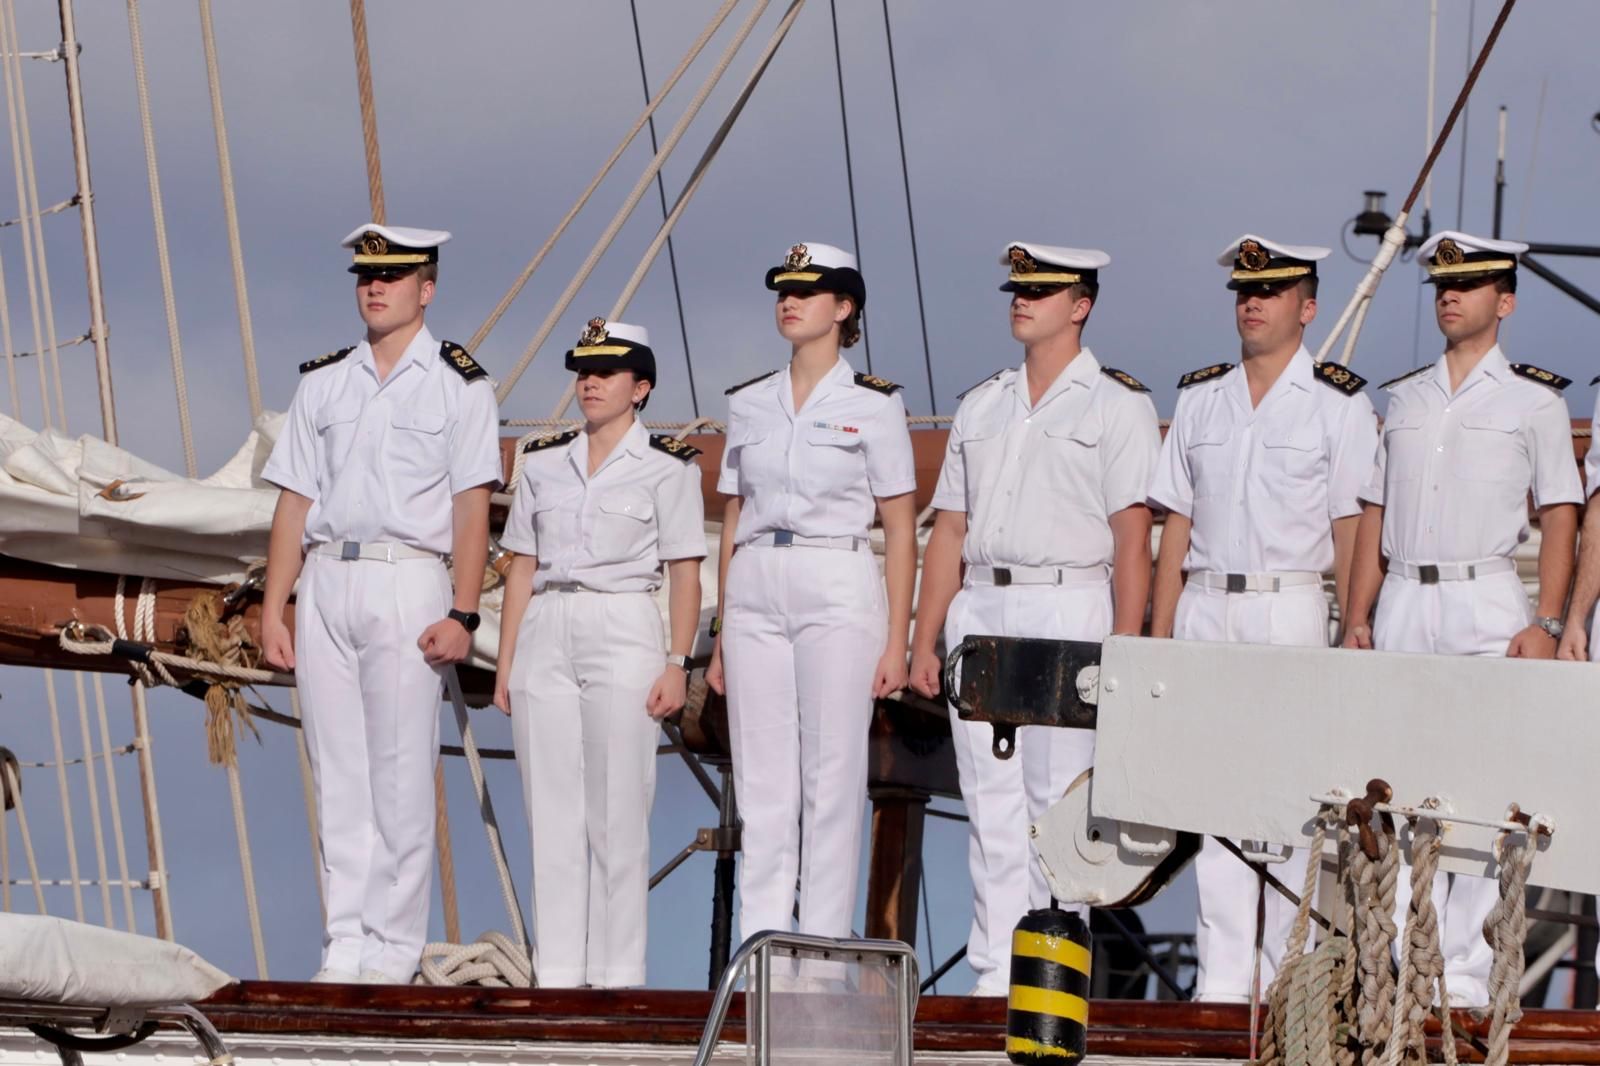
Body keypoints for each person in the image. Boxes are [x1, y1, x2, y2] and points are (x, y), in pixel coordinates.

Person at [908, 241, 1159, 995]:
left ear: (1080, 306)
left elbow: (1131, 535)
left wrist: (1125, 647)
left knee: (1057, 807)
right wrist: (925, 636)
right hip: (983, 604)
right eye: (1017, 288)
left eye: (1041, 291)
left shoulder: (1118, 404)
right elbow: (948, 528)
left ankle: (1051, 978)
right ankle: (993, 972)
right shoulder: (983, 402)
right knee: (989, 801)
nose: (1021, 299)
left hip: (1068, 600)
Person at [1342, 229, 1580, 1006]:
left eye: (1469, 283)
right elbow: (1375, 513)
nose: (1450, 292)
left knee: (1479, 792)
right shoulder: (1403, 397)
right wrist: (1357, 614)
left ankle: (1466, 976)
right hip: (1406, 596)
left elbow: (1561, 513)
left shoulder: (1535, 402)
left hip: (1485, 598)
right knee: (1403, 784)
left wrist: (1546, 622)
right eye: (1443, 281)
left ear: (1503, 301)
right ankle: (1412, 961)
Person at [260, 223, 502, 983]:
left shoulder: (460, 384)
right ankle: (346, 944)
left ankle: (393, 951)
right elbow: (294, 502)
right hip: (328, 577)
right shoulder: (323, 383)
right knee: (338, 772)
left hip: (409, 577)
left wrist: (462, 614)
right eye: (366, 273)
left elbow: (472, 505)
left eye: (393, 275)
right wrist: (275, 606)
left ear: (425, 289)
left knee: (399, 772)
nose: (375, 285)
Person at [1148, 235, 1378, 1002]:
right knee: (1211, 804)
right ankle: (1219, 988)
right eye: (1245, 291)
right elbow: (1174, 525)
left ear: (1307, 308)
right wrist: (1158, 633)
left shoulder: (1340, 402)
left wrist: (1353, 628)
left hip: (1289, 607)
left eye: (1271, 291)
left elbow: (1351, 528)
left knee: (1287, 811)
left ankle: (1285, 990)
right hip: (1206, 606)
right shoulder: (1200, 397)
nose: (1252, 302)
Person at [704, 242, 917, 963]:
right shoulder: (749, 401)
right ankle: (758, 954)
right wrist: (724, 628)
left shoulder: (875, 405)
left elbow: (897, 521)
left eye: (808, 291)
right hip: (758, 580)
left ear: (845, 307)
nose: (789, 301)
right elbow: (734, 514)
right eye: (783, 291)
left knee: (831, 780)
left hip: (837, 579)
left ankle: (822, 954)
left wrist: (895, 641)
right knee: (763, 785)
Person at [493, 318, 705, 989]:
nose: (589, 382)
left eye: (607, 372)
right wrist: (506, 663)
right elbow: (520, 564)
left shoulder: (668, 469)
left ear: (640, 387)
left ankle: (618, 977)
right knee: (549, 807)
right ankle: (556, 974)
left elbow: (686, 571)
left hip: (623, 620)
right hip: (546, 623)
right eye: (583, 370)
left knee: (617, 807)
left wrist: (677, 660)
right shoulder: (544, 462)